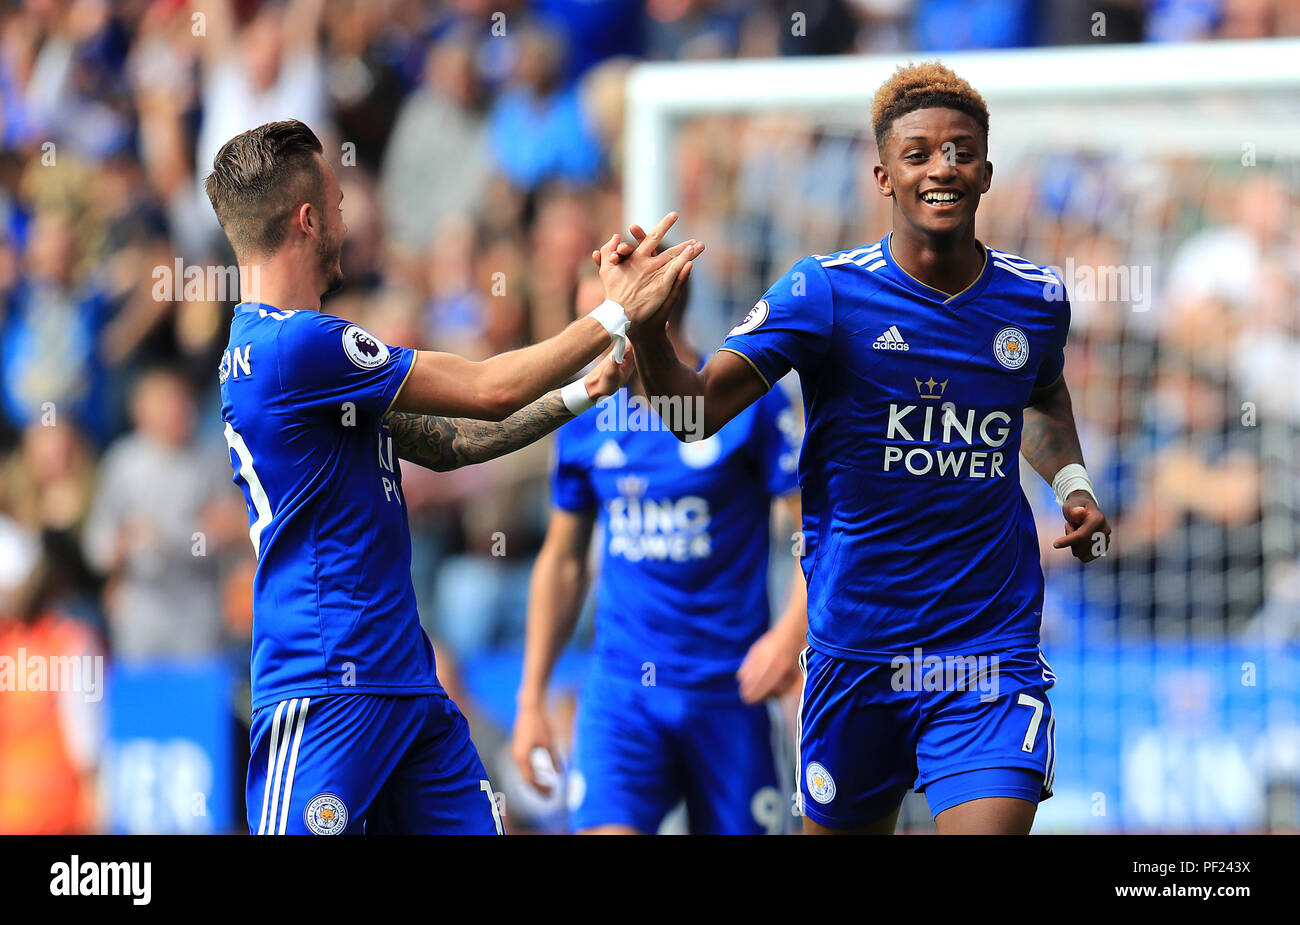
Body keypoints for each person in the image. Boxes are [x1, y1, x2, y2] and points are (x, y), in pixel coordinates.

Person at [608, 62, 1112, 835]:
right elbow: (694, 413)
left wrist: (1071, 483)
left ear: (985, 168)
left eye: (959, 152)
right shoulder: (825, 294)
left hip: (985, 650)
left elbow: (1040, 397)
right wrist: (646, 328)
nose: (941, 168)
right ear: (884, 174)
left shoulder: (1035, 299)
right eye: (918, 154)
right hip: (856, 648)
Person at [206, 118, 701, 834]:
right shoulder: (294, 346)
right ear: (307, 220)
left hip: (408, 685)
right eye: (339, 204)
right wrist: (618, 310)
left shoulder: (293, 357)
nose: (349, 219)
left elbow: (454, 442)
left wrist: (583, 392)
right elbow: (487, 388)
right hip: (323, 687)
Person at [511, 269, 806, 834]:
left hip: (729, 690)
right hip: (623, 694)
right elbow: (564, 561)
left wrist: (789, 639)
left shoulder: (745, 405)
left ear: (656, 318)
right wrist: (531, 701)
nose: (591, 342)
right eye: (584, 325)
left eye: (604, 325)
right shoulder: (585, 418)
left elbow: (811, 533)